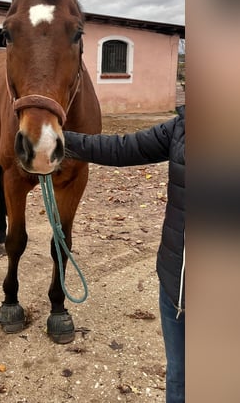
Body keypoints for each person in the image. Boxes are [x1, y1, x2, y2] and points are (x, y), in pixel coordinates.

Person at [64, 105, 185, 403]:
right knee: (180, 378)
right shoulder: (184, 127)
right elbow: (123, 148)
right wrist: (58, 138)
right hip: (178, 286)